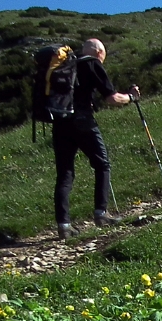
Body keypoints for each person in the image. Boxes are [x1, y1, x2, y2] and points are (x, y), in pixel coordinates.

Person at [52, 38, 139, 238]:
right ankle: (101, 214)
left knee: (65, 174)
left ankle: (64, 226)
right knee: (102, 164)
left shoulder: (65, 65)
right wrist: (131, 97)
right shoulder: (92, 64)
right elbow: (112, 98)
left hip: (59, 122)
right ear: (99, 52)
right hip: (82, 121)